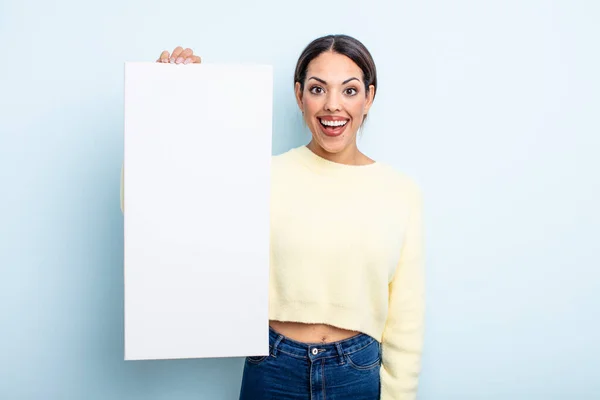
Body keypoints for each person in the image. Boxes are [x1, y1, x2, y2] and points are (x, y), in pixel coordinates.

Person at [123, 34, 425, 400]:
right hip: (273, 368)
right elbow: (153, 208)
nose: (333, 106)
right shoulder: (260, 176)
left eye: (349, 90)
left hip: (357, 372)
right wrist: (165, 100)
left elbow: (405, 319)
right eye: (317, 89)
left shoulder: (399, 191)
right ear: (299, 96)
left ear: (369, 98)